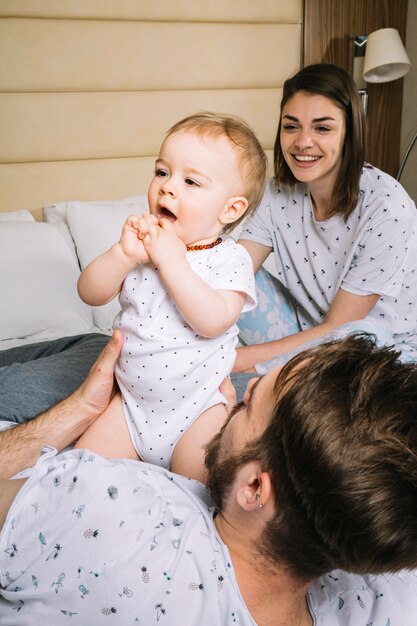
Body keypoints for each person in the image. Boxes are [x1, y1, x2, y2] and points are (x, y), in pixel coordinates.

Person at [1, 332, 417, 625]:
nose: (247, 386)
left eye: (251, 405)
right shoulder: (383, 599)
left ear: (254, 488)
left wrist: (80, 409)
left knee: (89, 347)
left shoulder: (110, 505)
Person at [74, 112, 267, 481]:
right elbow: (89, 293)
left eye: (191, 181)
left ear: (231, 209)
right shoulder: (143, 247)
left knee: (202, 492)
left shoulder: (228, 258)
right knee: (80, 475)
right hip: (130, 409)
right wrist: (122, 255)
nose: (167, 187)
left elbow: (213, 320)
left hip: (195, 411)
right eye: (162, 172)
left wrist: (172, 261)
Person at [235, 63, 417, 375]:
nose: (303, 142)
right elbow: (231, 270)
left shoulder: (388, 209)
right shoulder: (277, 192)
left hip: (378, 354)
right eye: (291, 126)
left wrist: (235, 362)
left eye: (322, 128)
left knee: (361, 334)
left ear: (349, 134)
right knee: (227, 270)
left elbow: (340, 329)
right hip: (307, 328)